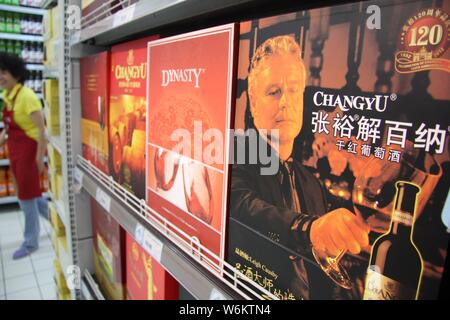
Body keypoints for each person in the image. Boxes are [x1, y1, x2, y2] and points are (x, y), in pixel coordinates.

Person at [229, 36, 370, 299]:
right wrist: (310, 230)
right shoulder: (233, 157)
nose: (286, 102)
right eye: (274, 92)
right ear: (253, 103)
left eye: (294, 91)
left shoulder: (310, 183)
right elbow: (243, 208)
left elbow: (325, 271)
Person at [0, 53, 48, 260]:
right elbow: (10, 128)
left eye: (4, 72)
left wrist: (38, 159)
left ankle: (30, 242)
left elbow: (41, 131)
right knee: (33, 197)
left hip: (28, 154)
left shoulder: (27, 97)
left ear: (16, 74)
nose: (0, 76)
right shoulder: (8, 97)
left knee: (26, 199)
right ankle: (58, 220)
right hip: (16, 152)